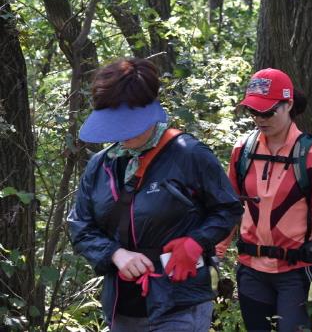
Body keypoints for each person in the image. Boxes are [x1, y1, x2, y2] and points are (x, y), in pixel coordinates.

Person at [67, 58, 243, 331]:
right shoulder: (102, 164)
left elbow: (228, 209)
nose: (121, 133)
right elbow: (80, 225)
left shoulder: (189, 154)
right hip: (122, 306)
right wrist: (115, 254)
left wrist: (196, 242)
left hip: (180, 303)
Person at [220, 68, 312, 331]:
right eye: (254, 111)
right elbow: (229, 207)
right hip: (251, 269)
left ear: (289, 105)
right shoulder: (243, 150)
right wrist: (215, 254)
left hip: (295, 271)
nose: (260, 119)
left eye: (268, 111)